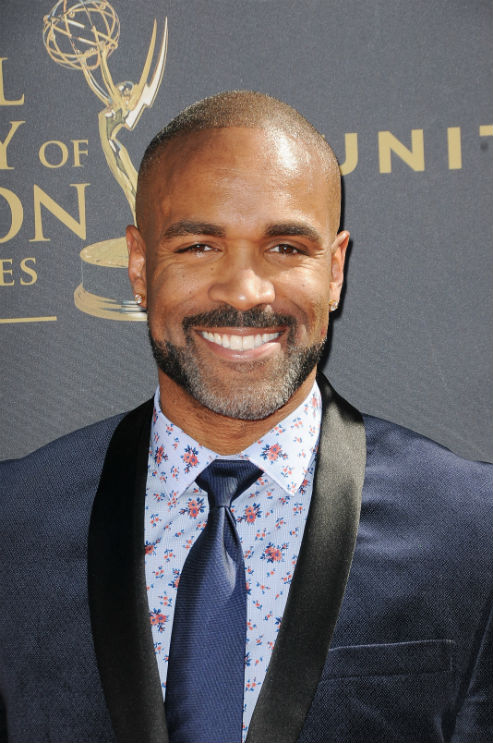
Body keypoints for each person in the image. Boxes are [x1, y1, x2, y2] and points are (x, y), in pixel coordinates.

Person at [0, 91, 491, 743]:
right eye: (199, 246)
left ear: (334, 269)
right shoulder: (13, 523)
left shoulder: (473, 530)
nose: (244, 291)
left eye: (284, 247)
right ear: (140, 266)